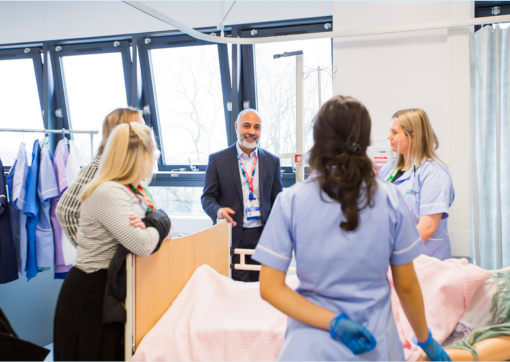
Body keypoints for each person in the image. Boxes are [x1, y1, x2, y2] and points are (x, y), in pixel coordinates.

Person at [253, 96, 450, 361]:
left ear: (318, 139)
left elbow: (270, 288)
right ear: (365, 141)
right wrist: (425, 340)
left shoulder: (291, 200)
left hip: (310, 346)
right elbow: (406, 285)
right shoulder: (390, 198)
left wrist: (332, 321)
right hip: (376, 342)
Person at [53, 122, 171, 361]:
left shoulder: (134, 191)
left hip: (112, 289)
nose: (153, 163)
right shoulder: (107, 192)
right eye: (151, 155)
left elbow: (162, 228)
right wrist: (156, 222)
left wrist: (154, 223)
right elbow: (143, 244)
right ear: (137, 157)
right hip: (92, 293)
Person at [201, 109, 283, 282]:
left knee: (262, 289)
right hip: (232, 236)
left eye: (257, 127)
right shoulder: (218, 160)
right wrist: (218, 211)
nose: (252, 132)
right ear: (237, 127)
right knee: (237, 290)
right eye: (247, 126)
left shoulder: (272, 161)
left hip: (263, 237)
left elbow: (277, 200)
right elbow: (207, 197)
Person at [56, 107, 145, 245]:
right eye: (141, 126)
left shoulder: (131, 170)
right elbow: (66, 211)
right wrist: (88, 249)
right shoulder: (97, 169)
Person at [378, 109, 455, 260]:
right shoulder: (387, 171)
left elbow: (427, 227)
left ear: (412, 136)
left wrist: (391, 252)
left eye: (394, 132)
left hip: (426, 262)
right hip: (392, 258)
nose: (389, 137)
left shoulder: (434, 174)